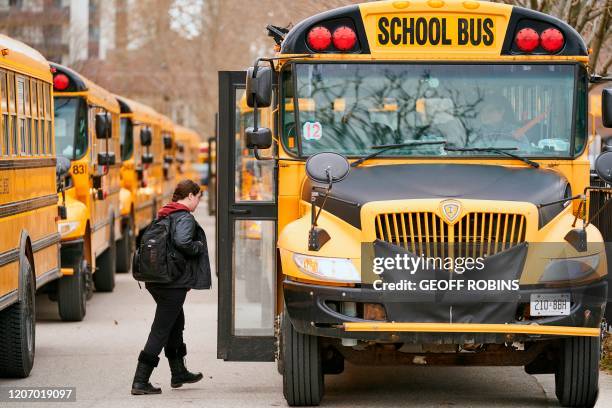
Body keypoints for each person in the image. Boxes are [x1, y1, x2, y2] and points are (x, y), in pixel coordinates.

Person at [131, 179, 211, 395]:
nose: (198, 202)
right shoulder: (184, 217)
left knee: (176, 322)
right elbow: (183, 242)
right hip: (172, 284)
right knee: (161, 329)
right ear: (191, 196)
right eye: (198, 197)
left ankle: (178, 373)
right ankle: (140, 380)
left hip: (157, 280)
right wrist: (198, 246)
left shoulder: (165, 213)